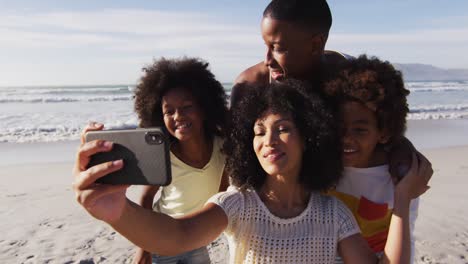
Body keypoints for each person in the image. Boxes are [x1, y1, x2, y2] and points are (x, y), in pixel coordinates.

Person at [73, 80, 431, 263]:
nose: (268, 140)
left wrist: (402, 199)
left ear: (309, 137)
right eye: (258, 132)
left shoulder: (333, 214)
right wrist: (118, 212)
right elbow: (177, 235)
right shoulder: (238, 205)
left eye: (282, 128)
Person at [232, 0, 431, 187]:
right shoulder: (250, 85)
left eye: (278, 48)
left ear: (316, 44)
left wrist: (402, 147)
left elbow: (377, 124)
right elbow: (236, 156)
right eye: (266, 46)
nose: (267, 60)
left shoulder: (348, 78)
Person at [82, 57, 229, 264]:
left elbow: (224, 195)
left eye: (187, 106)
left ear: (204, 108)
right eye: (169, 111)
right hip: (162, 235)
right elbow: (146, 198)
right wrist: (145, 247)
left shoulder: (223, 148)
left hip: (196, 237)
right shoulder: (164, 154)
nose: (177, 115)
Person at [324, 55, 422, 263]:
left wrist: (403, 196)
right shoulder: (322, 165)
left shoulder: (400, 175)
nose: (346, 138)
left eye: (360, 130)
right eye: (338, 127)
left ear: (384, 132)